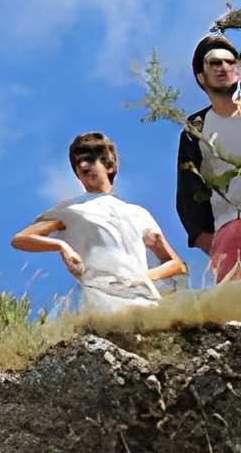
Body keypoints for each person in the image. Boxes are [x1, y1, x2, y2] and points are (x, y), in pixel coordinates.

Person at [15, 131, 185, 316]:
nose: (81, 166)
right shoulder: (70, 209)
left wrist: (144, 278)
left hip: (148, 302)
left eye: (88, 159)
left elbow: (175, 264)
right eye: (76, 163)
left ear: (109, 165)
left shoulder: (138, 213)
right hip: (103, 301)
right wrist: (61, 245)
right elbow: (22, 238)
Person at [175, 33, 241, 287]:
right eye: (215, 63)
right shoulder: (196, 129)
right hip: (230, 228)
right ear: (201, 78)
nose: (223, 67)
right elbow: (187, 192)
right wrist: (212, 243)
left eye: (229, 62)